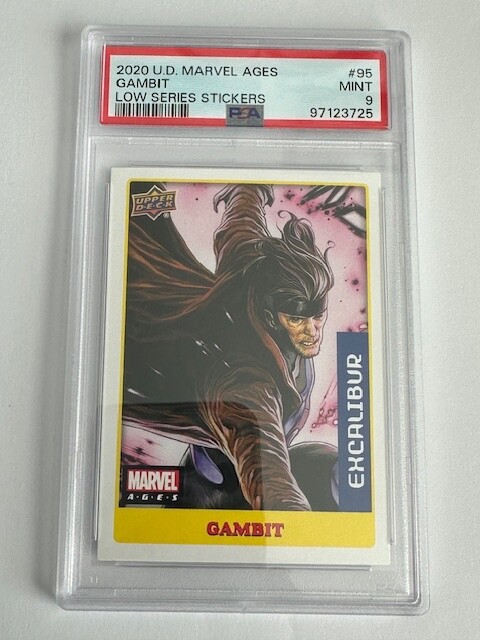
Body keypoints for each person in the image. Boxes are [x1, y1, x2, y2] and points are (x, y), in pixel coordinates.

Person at [122, 183, 337, 511]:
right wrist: (290, 519)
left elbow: (240, 226)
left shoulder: (254, 271)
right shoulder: (245, 382)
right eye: (296, 320)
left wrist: (248, 191)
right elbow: (268, 472)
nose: (313, 332)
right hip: (146, 353)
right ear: (270, 316)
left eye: (318, 317)